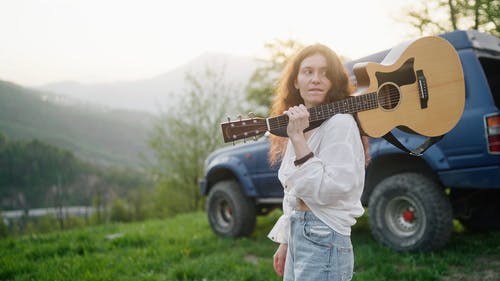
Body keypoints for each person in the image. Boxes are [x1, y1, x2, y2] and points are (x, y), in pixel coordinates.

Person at [267, 43, 367, 281]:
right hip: (298, 233)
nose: (316, 79)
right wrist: (286, 241)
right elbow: (294, 191)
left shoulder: (340, 123)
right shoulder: (299, 125)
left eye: (325, 73)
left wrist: (298, 140)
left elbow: (331, 190)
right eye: (308, 72)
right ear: (296, 81)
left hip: (326, 236)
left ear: (334, 82)